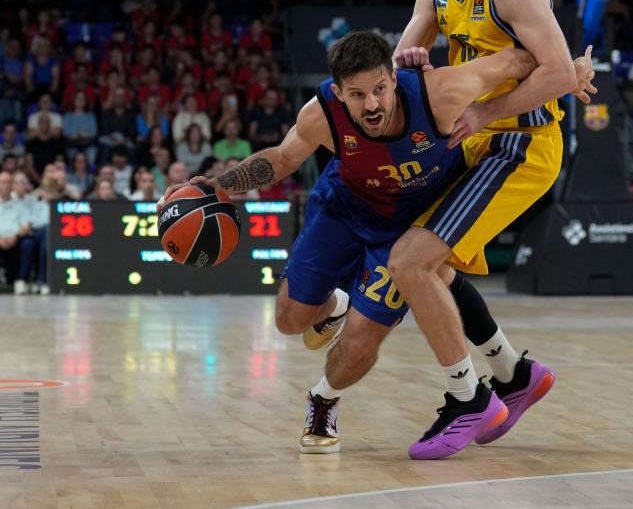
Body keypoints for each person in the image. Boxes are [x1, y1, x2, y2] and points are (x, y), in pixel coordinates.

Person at [159, 30, 595, 458]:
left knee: (361, 341)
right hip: (342, 209)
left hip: (402, 229)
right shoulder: (322, 113)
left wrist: (569, 69)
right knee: (289, 321)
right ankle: (336, 305)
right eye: (357, 95)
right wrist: (218, 185)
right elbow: (282, 159)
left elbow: (517, 60)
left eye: (380, 90)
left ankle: (323, 400)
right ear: (338, 92)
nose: (371, 105)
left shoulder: (440, 93)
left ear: (392, 76)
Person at [385, 0, 587, 459]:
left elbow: (559, 73)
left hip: (520, 146)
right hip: (474, 140)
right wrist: (415, 61)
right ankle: (515, 375)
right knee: (432, 265)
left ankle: (469, 399)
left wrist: (487, 109)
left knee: (412, 262)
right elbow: (402, 58)